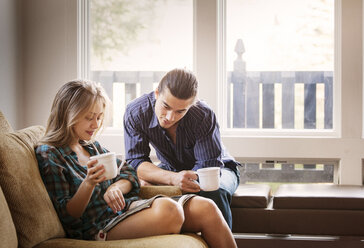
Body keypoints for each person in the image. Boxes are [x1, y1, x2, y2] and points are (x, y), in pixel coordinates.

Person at [35, 80, 237, 247]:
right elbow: (69, 215)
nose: (96, 125)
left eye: (99, 117)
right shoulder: (50, 154)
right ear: (67, 114)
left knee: (207, 207)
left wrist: (116, 187)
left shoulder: (91, 147)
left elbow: (130, 173)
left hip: (126, 210)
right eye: (89, 118)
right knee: (169, 210)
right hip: (98, 226)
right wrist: (89, 183)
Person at [124, 68, 240, 229]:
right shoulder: (136, 112)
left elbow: (208, 167)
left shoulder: (203, 115)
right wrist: (172, 179)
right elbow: (135, 161)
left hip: (219, 169)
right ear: (157, 93)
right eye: (166, 106)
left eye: (180, 111)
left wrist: (177, 181)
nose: (170, 117)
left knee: (213, 191)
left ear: (191, 105)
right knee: (137, 186)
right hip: (172, 169)